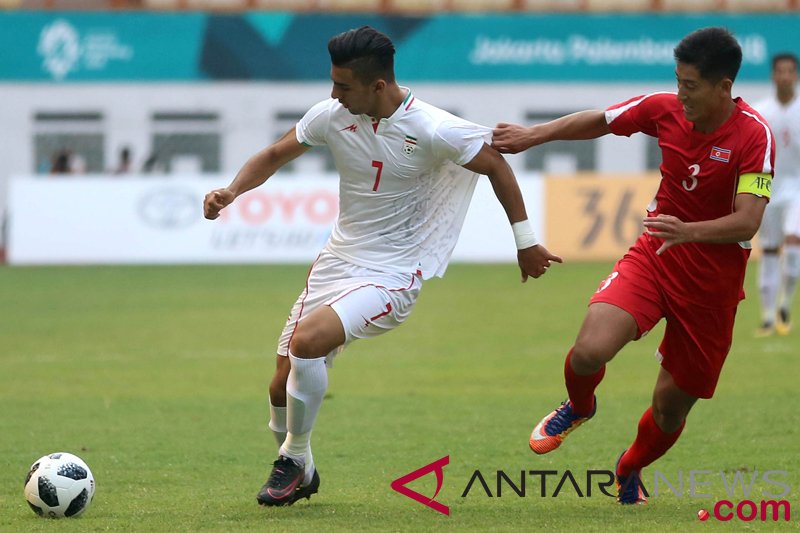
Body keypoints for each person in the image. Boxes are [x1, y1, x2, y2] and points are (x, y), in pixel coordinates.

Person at [203, 26, 561, 507]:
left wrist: (525, 242)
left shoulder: (433, 127)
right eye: (332, 83)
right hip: (336, 262)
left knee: (308, 343)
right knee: (279, 386)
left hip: (393, 273)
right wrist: (231, 191)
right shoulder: (331, 116)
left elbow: (496, 164)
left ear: (377, 85)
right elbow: (272, 154)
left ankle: (293, 458)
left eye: (343, 85)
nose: (333, 94)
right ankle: (301, 470)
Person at [493, 27, 774, 505]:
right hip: (656, 258)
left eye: (691, 85)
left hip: (713, 285)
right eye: (678, 81)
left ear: (723, 86)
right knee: (588, 351)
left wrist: (689, 230)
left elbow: (749, 218)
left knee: (669, 408)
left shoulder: (754, 135)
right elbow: (601, 120)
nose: (680, 94)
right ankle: (579, 407)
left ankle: (630, 467)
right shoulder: (664, 108)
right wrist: (531, 135)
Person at [753, 53, 800, 336]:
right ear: (773, 75)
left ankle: (786, 306)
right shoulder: (761, 112)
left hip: (797, 189)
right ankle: (768, 317)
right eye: (779, 71)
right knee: (769, 250)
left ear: (795, 75)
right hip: (768, 188)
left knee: (793, 240)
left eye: (789, 71)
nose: (784, 76)